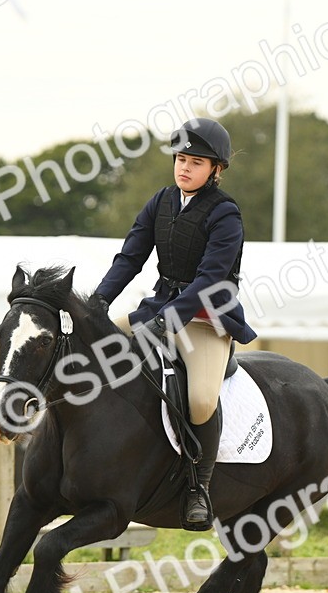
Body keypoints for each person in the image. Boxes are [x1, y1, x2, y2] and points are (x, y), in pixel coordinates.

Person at [93, 117, 257, 531]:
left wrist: (169, 319)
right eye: (181, 159)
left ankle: (198, 487)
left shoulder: (225, 215)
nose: (184, 167)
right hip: (158, 310)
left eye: (196, 162)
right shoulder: (161, 201)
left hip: (206, 320)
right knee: (94, 347)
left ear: (216, 169)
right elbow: (130, 258)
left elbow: (210, 279)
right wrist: (96, 303)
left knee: (201, 398)